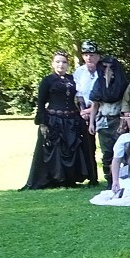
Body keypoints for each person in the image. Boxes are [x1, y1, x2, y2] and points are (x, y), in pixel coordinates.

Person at [24, 50, 94, 189]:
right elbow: (41, 103)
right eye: (58, 62)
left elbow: (80, 96)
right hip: (54, 120)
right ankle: (56, 179)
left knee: (73, 148)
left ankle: (70, 179)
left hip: (72, 119)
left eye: (64, 62)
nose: (61, 65)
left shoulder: (72, 79)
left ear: (68, 64)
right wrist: (43, 123)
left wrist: (83, 110)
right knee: (55, 150)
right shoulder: (47, 80)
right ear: (52, 64)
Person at [88, 55, 128, 188]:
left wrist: (125, 122)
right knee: (107, 152)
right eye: (104, 67)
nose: (108, 70)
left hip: (119, 120)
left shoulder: (122, 83)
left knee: (122, 151)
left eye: (111, 67)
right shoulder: (98, 83)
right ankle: (110, 180)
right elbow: (94, 105)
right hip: (104, 121)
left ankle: (123, 179)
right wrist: (91, 123)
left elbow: (127, 104)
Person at [74, 40, 100, 178]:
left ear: (97, 56)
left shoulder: (104, 71)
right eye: (86, 54)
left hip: (101, 111)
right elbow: (79, 94)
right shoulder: (79, 72)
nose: (89, 57)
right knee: (88, 146)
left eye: (92, 54)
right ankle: (92, 176)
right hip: (85, 112)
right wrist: (83, 111)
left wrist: (91, 111)